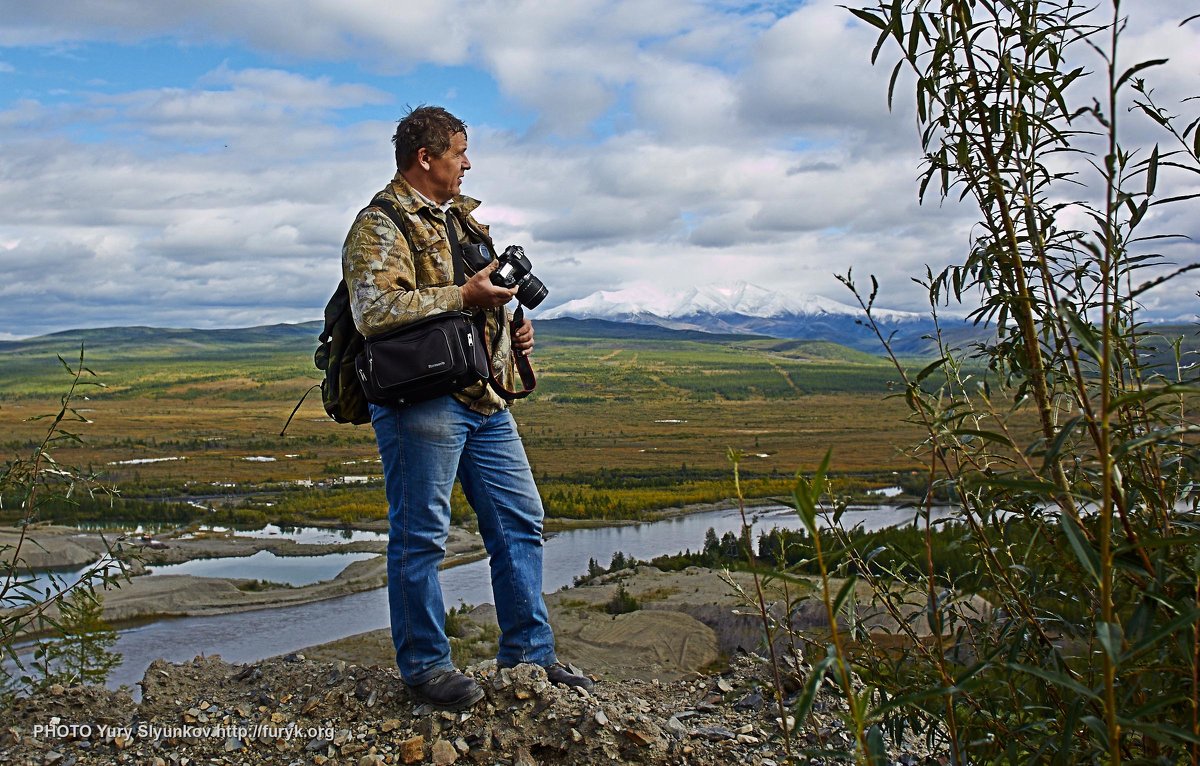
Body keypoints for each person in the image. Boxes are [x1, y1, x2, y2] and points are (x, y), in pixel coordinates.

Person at [341, 105, 592, 711]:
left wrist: (508, 330)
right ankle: (426, 669)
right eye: (458, 152)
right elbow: (374, 312)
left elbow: (471, 308)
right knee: (421, 537)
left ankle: (530, 658)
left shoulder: (461, 222)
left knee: (520, 519)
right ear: (425, 158)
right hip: (421, 402)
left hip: (484, 399)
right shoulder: (379, 225)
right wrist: (465, 293)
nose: (468, 162)